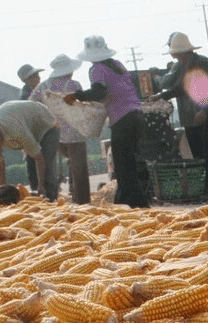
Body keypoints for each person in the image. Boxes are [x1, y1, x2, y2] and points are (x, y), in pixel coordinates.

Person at [149, 32, 208, 201]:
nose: (173, 55)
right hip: (196, 116)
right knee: (202, 154)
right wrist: (162, 96)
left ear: (181, 52)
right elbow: (183, 88)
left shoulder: (202, 64)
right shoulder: (184, 65)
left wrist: (204, 110)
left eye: (174, 52)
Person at [65, 36, 149, 208]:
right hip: (137, 114)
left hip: (122, 118)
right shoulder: (117, 65)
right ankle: (126, 200)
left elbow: (99, 92)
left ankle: (137, 204)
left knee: (123, 164)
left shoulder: (97, 69)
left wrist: (77, 96)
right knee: (132, 161)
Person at [31, 54, 91, 204]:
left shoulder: (43, 86)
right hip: (74, 134)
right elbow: (82, 104)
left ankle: (50, 200)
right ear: (69, 71)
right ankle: (81, 201)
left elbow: (32, 104)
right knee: (78, 169)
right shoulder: (74, 85)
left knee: (49, 168)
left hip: (52, 133)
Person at [0, 100, 61, 201]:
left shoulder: (15, 130)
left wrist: (41, 186)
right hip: (26, 125)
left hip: (45, 125)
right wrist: (2, 189)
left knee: (46, 164)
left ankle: (50, 200)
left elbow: (39, 158)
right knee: (30, 166)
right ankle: (36, 200)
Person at [17, 63, 44, 193]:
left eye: (38, 75)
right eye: (33, 77)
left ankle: (43, 188)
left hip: (41, 130)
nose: (37, 78)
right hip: (31, 133)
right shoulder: (26, 95)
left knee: (41, 161)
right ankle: (37, 190)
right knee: (33, 162)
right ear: (25, 80)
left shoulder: (39, 90)